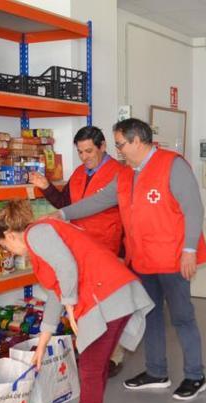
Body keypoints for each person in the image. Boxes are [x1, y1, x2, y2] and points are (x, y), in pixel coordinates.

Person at [55, 118, 206, 401]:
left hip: (174, 259)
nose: (119, 151)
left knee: (181, 317)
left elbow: (194, 209)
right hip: (143, 259)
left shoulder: (172, 165)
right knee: (149, 314)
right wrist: (63, 214)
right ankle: (156, 372)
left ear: (137, 140)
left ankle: (195, 376)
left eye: (121, 145)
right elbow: (99, 201)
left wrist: (189, 250)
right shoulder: (127, 174)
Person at [0, 200, 154, 403]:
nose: (7, 251)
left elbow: (68, 269)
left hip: (109, 296)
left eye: (4, 245)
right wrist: (42, 343)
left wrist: (71, 309)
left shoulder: (37, 234)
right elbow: (57, 291)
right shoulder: (40, 242)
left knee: (90, 368)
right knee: (94, 366)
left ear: (10, 234)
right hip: (110, 293)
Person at [29, 125, 128, 377]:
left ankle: (113, 357)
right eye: (80, 152)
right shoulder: (79, 174)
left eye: (89, 151)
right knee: (85, 306)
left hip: (107, 248)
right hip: (78, 248)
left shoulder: (119, 173)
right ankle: (91, 354)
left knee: (107, 307)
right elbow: (66, 204)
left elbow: (125, 213)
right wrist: (46, 187)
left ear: (102, 147)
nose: (85, 157)